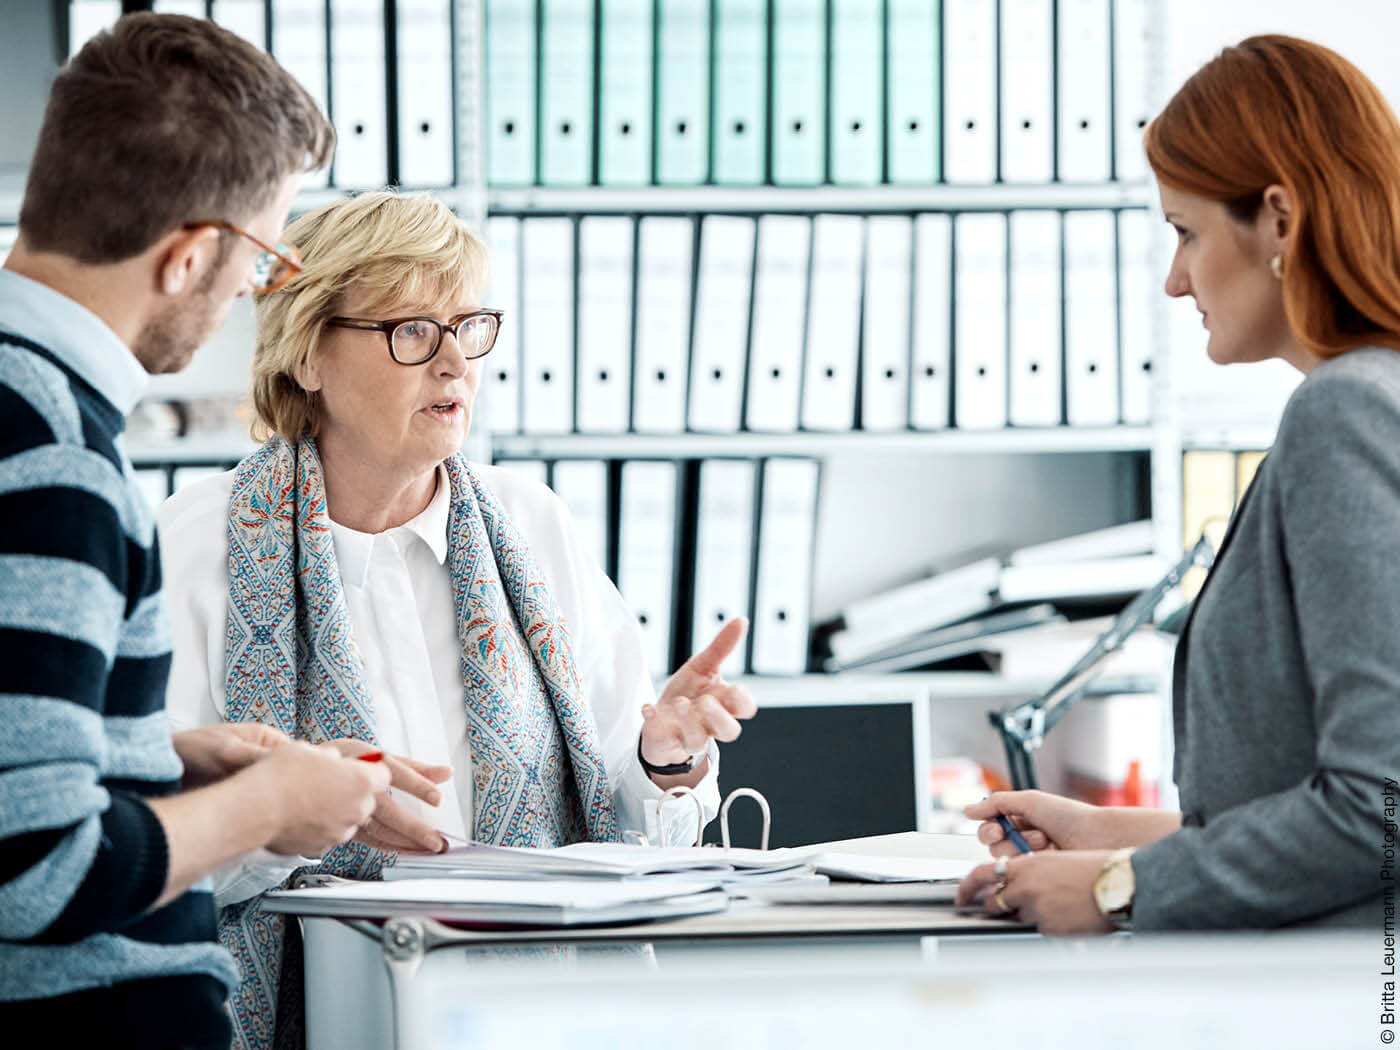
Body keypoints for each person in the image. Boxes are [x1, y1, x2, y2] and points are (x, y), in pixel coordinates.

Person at [157, 189, 758, 1047]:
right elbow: (147, 857)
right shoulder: (196, 542)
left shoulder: (531, 523)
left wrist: (665, 757)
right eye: (412, 331)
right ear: (308, 355)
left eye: (469, 326)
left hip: (535, 1018)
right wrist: (284, 821)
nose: (455, 364)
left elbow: (621, 821)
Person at [0, 13, 400, 1049]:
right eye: (259, 258)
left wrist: (149, 764)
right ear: (186, 258)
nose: (247, 294)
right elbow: (31, 872)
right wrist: (267, 808)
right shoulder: (49, 454)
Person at [957, 34, 1400, 935]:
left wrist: (1120, 889)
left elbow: (1381, 808)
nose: (1173, 279)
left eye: (1186, 233)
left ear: (1278, 219)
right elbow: (1313, 792)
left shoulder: (1346, 414)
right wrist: (1114, 837)